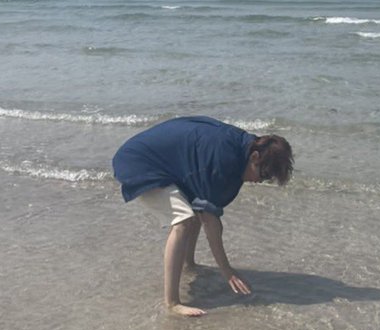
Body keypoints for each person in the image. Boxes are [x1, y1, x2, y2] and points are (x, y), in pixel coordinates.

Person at [112, 115, 294, 317]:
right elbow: (211, 222)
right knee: (182, 220)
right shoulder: (223, 158)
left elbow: (204, 207)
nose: (261, 181)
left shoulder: (244, 147)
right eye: (264, 175)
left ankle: (188, 264)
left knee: (195, 207)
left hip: (163, 163)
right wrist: (227, 271)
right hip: (140, 164)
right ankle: (172, 303)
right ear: (255, 158)